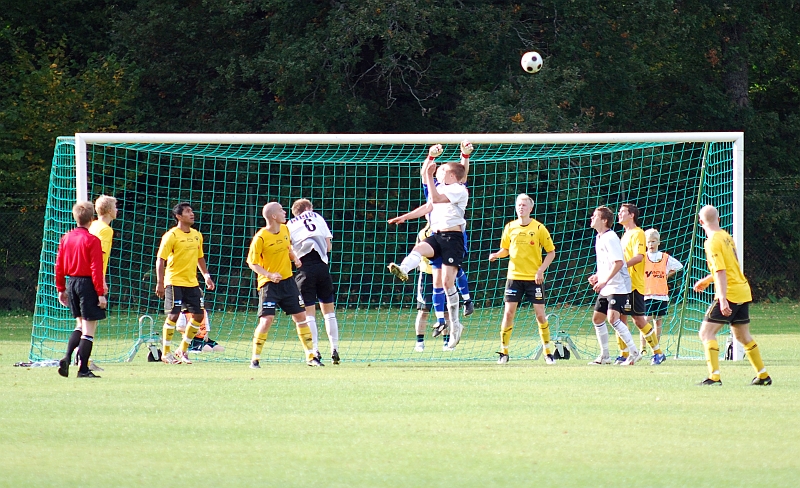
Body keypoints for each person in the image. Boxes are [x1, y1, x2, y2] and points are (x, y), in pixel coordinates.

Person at [387, 143, 470, 350]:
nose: (439, 172)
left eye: (443, 171)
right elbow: (428, 205)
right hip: (437, 235)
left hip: (453, 239)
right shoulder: (441, 186)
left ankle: (455, 324)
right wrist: (405, 217)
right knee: (419, 248)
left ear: (451, 176)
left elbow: (436, 197)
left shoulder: (458, 189)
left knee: (447, 283)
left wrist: (461, 158)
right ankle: (403, 269)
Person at [692, 205, 771, 386]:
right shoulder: (726, 237)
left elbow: (721, 271)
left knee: (706, 333)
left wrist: (722, 299)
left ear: (701, 222)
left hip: (731, 293)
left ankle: (714, 377)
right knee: (742, 336)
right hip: (743, 290)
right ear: (718, 219)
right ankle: (763, 375)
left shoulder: (712, 241)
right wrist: (707, 280)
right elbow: (729, 267)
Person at [247, 201, 322, 368]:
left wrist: (294, 258)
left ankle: (311, 356)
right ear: (273, 216)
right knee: (267, 320)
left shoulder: (285, 229)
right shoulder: (260, 237)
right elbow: (252, 263)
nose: (285, 212)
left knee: (301, 317)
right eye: (281, 210)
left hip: (288, 282)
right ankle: (255, 359)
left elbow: (288, 247)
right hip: (269, 285)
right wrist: (269, 275)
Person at [488, 193, 556, 365]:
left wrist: (540, 270)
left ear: (531, 208)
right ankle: (504, 352)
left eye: (524, 205)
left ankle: (548, 352)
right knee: (508, 313)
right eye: (519, 205)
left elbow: (551, 252)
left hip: (534, 279)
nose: (521, 207)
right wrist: (497, 254)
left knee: (540, 315)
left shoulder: (539, 228)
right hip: (514, 277)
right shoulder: (510, 227)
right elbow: (505, 249)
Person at [155, 202, 216, 365]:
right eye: (188, 211)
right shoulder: (171, 235)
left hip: (192, 282)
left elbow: (200, 257)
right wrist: (160, 282)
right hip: (174, 281)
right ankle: (166, 353)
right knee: (173, 315)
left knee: (198, 315)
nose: (192, 214)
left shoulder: (197, 235)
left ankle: (182, 350)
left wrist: (206, 276)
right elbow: (160, 259)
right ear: (178, 216)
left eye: (192, 211)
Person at [55, 201, 107, 378]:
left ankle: (67, 357)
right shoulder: (92, 240)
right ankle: (83, 369)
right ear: (92, 219)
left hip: (72, 282)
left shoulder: (66, 238)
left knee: (79, 325)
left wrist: (61, 288)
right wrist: (100, 293)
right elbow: (96, 269)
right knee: (89, 330)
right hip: (87, 284)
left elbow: (59, 265)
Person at [287, 198, 340, 365]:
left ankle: (314, 351)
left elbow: (288, 248)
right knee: (329, 312)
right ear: (308, 208)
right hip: (322, 268)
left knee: (308, 314)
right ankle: (335, 349)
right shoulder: (317, 217)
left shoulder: (290, 224)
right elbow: (328, 246)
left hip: (304, 270)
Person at [586, 206, 641, 366]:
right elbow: (606, 263)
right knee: (597, 319)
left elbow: (618, 263)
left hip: (618, 286)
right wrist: (598, 276)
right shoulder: (599, 237)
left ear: (604, 220)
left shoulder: (610, 237)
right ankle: (605, 356)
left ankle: (634, 352)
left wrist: (604, 281)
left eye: (595, 216)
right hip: (607, 285)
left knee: (613, 318)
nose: (592, 218)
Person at [617, 204, 667, 365]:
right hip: (623, 283)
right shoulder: (624, 236)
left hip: (634, 284)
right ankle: (624, 354)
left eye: (622, 212)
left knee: (638, 320)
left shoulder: (638, 233)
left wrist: (621, 266)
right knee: (619, 318)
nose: (619, 214)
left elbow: (639, 257)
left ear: (631, 215)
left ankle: (658, 353)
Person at [79, 194, 117, 372]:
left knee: (81, 322)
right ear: (109, 210)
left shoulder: (93, 225)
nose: (117, 210)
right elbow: (98, 258)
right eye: (115, 207)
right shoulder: (105, 230)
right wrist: (101, 282)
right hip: (92, 279)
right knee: (89, 323)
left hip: (79, 277)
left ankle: (79, 357)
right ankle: (84, 361)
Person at [641, 228, 683, 351]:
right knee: (645, 320)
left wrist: (666, 274)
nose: (651, 244)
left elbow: (679, 266)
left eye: (653, 241)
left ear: (658, 242)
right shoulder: (643, 257)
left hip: (661, 294)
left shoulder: (664, 257)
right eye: (648, 242)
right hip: (647, 294)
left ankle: (656, 347)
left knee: (658, 321)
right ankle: (642, 347)